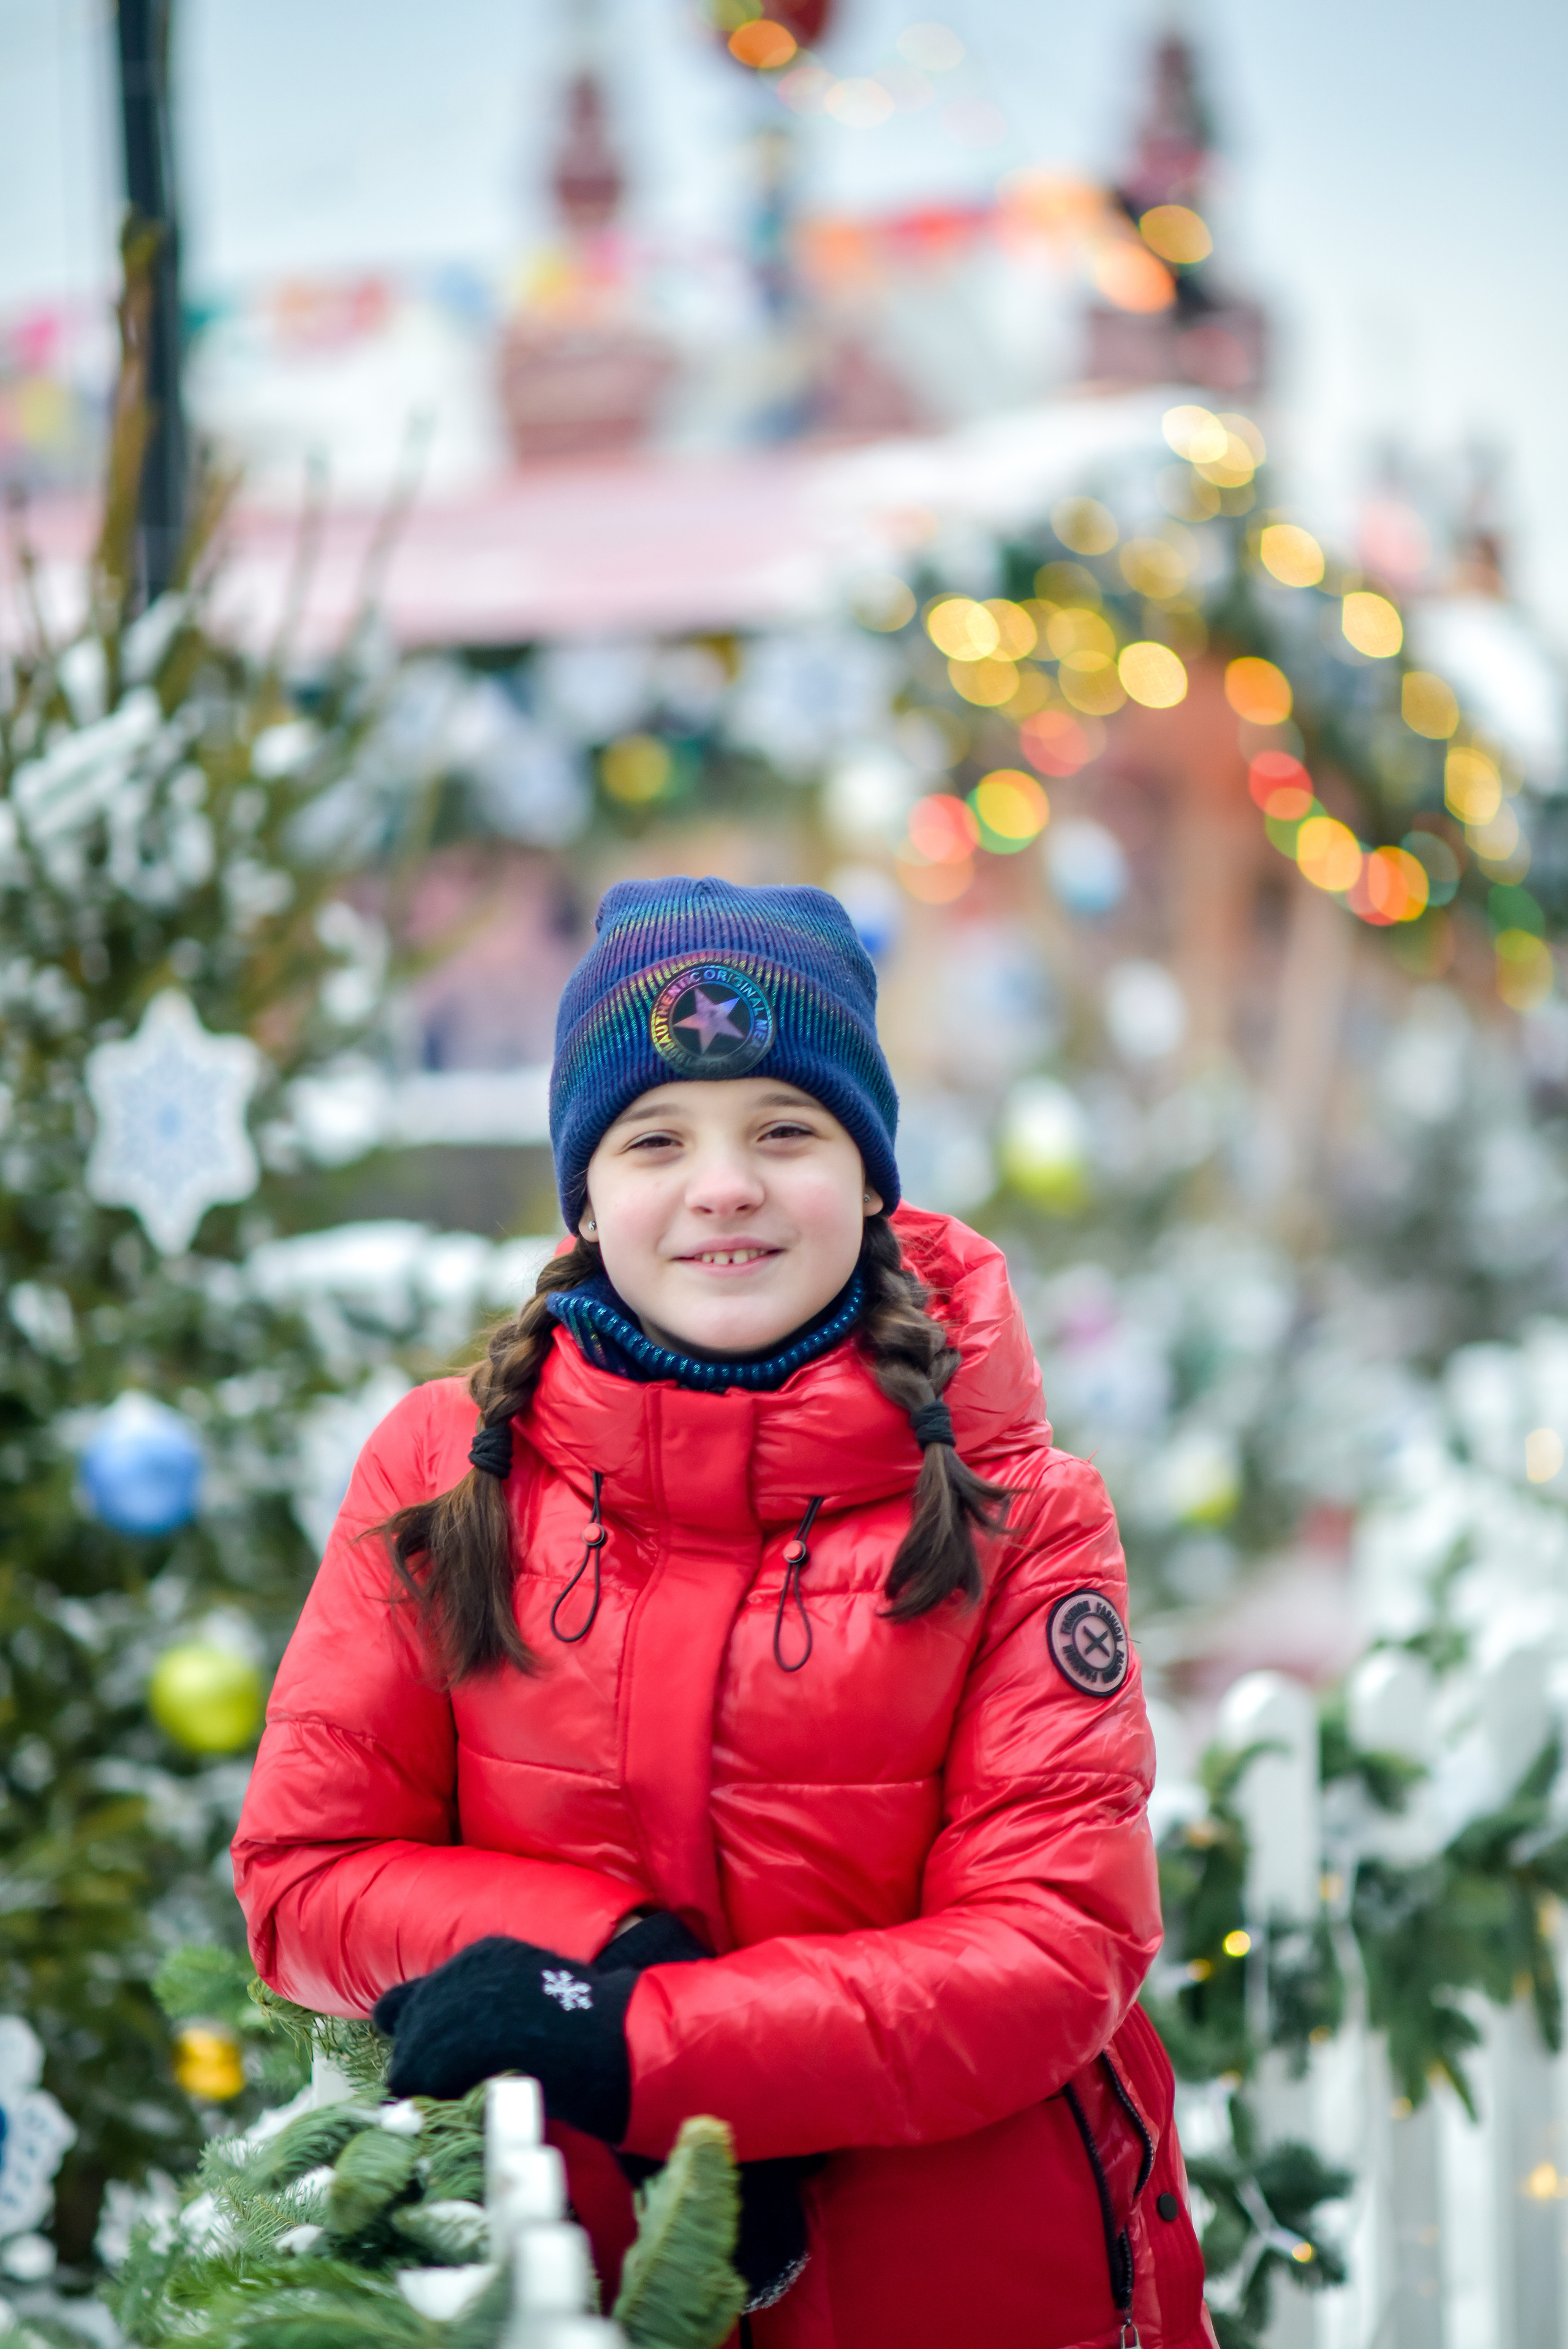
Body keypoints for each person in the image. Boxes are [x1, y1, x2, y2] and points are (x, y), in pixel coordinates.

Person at [233, 875, 1213, 2349]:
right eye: (654, 1138)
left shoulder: (1020, 1510)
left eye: (783, 1130)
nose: (723, 1184)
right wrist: (604, 1951)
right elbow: (305, 1873)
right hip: (577, 2284)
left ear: (871, 1175)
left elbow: (1048, 1947)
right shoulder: (446, 1474)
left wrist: (640, 2044)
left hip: (968, 2285)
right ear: (583, 1193)